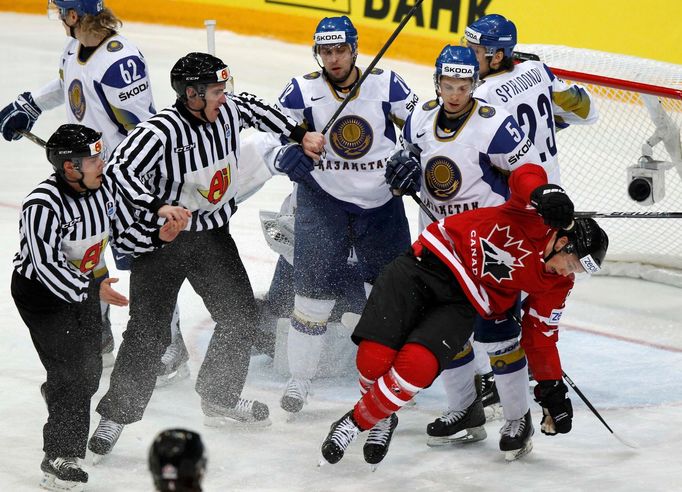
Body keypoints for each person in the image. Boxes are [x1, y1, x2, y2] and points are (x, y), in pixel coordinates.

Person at [87, 51, 325, 459]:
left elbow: (262, 110)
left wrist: (299, 134)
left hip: (212, 235)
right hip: (163, 242)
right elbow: (120, 171)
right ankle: (116, 415)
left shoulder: (230, 110)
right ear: (193, 94)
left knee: (239, 314)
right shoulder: (161, 131)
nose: (224, 96)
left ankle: (218, 397)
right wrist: (159, 206)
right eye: (216, 91)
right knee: (148, 331)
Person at [319, 162, 609, 467]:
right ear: (563, 243)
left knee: (417, 365)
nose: (569, 273)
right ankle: (381, 418)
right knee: (372, 359)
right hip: (424, 265)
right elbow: (526, 173)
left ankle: (354, 422)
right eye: (573, 264)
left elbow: (541, 336)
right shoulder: (533, 215)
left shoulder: (557, 283)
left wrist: (550, 387)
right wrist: (545, 193)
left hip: (461, 302)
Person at [421, 13, 600, 452]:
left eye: (477, 49)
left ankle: (503, 393)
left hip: (512, 209)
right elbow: (587, 109)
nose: (469, 54)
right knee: (507, 308)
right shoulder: (536, 67)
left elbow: (477, 158)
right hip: (553, 204)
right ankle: (511, 390)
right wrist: (543, 126)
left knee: (492, 308)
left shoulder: (478, 96)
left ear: (496, 54)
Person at [0, 0, 189, 383]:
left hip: (123, 177)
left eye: (61, 11)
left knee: (143, 260)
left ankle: (169, 342)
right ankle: (97, 332)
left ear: (74, 16)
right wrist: (32, 104)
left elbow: (145, 128)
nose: (58, 18)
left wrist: (133, 181)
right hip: (88, 176)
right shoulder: (75, 47)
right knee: (85, 248)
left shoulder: (120, 63)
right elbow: (69, 82)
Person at [384, 44, 548, 459]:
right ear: (436, 82)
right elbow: (409, 156)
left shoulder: (493, 125)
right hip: (440, 245)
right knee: (446, 331)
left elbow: (528, 169)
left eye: (463, 85)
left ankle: (517, 418)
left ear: (474, 84)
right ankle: (465, 409)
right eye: (447, 84)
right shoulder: (420, 117)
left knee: (498, 336)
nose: (454, 94)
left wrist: (539, 190)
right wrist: (400, 168)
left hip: (488, 249)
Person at [11, 124, 183, 491]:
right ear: (70, 168)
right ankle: (59, 457)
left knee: (87, 372)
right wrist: (92, 289)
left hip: (86, 288)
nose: (102, 163)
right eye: (93, 158)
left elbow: (122, 234)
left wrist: (156, 237)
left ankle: (58, 393)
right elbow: (46, 267)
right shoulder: (41, 204)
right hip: (41, 296)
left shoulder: (102, 189)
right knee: (73, 373)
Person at [264, 15, 418, 421]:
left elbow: (422, 128)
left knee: (387, 296)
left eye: (340, 50)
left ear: (355, 49)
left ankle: (391, 378)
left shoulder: (387, 84)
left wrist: (412, 157)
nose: (333, 59)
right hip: (323, 201)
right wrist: (293, 143)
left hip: (382, 202)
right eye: (325, 52)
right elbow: (270, 130)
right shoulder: (302, 89)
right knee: (311, 297)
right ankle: (299, 380)